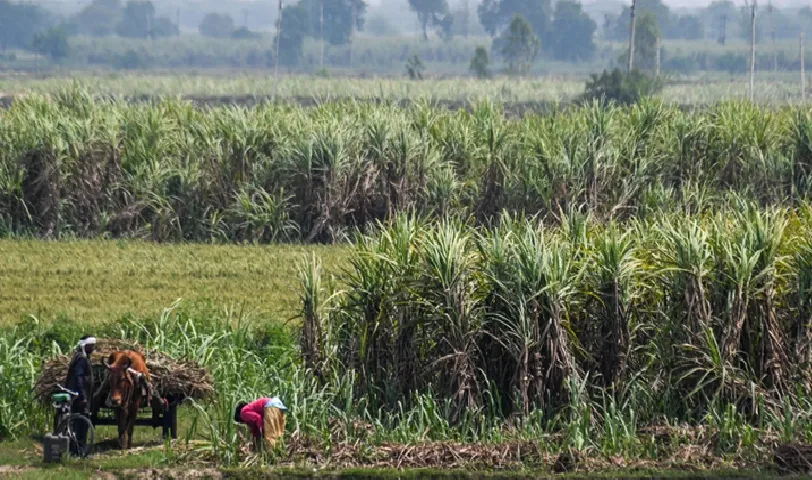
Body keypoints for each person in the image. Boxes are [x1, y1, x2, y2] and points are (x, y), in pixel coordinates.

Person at [64, 335, 96, 457]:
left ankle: (78, 449)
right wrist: (82, 396)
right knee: (81, 424)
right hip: (79, 397)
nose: (93, 348)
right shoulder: (81, 359)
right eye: (91, 345)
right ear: (85, 345)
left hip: (79, 396)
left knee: (80, 423)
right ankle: (80, 451)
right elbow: (79, 378)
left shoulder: (80, 357)